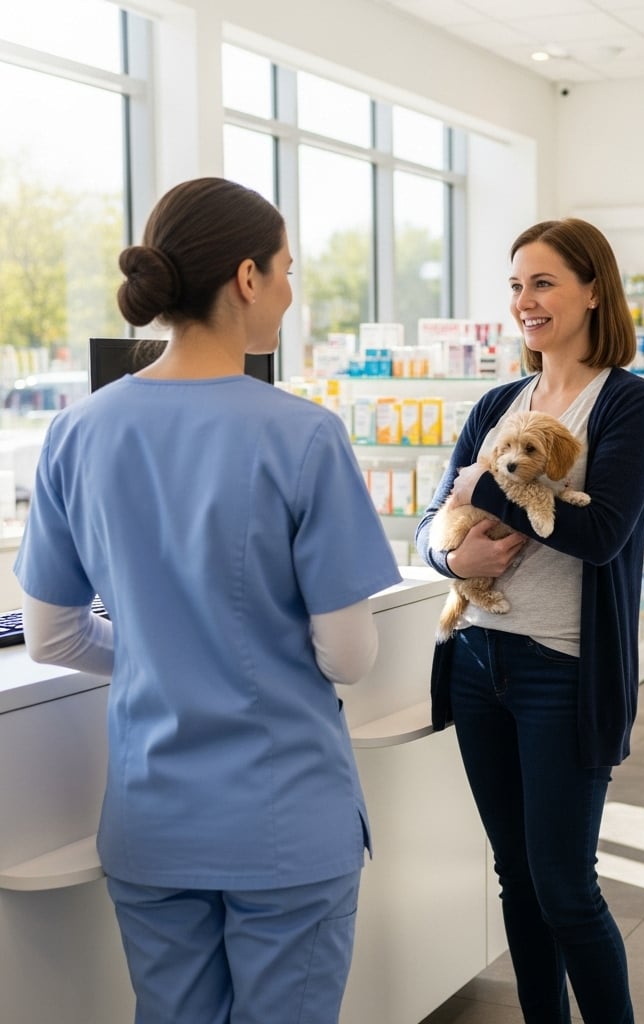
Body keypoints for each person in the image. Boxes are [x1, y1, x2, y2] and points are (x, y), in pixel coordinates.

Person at [14, 177, 401, 1024]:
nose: (292, 292)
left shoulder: (81, 430)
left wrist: (162, 654)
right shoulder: (303, 435)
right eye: (287, 270)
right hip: (284, 822)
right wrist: (249, 658)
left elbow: (51, 634)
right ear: (247, 278)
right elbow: (349, 655)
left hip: (153, 824)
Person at [415, 217, 644, 1024]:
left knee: (565, 885)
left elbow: (600, 533)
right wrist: (455, 562)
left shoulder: (628, 403)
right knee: (515, 878)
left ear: (594, 290)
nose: (526, 300)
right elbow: (426, 525)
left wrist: (479, 487)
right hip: (479, 665)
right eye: (517, 284)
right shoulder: (497, 400)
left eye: (545, 282)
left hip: (562, 671)